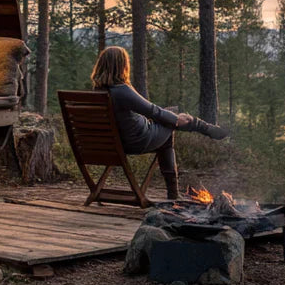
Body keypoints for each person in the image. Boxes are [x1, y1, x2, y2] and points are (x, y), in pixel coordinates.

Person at [89, 46, 230, 200]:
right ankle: (206, 129)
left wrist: (172, 117)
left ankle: (205, 129)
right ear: (123, 65)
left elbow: (151, 113)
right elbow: (152, 110)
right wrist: (176, 119)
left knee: (168, 117)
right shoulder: (122, 91)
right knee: (170, 119)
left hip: (117, 144)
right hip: (137, 141)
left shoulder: (98, 92)